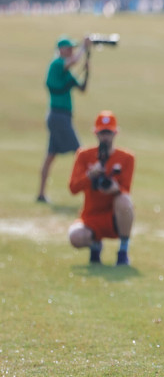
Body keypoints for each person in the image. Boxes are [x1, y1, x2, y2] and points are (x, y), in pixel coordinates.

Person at [68, 111, 135, 265]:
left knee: (124, 201)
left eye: (108, 133)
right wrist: (90, 175)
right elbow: (73, 188)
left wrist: (115, 189)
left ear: (115, 133)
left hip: (114, 216)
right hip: (90, 216)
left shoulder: (127, 158)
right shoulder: (84, 155)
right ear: (96, 133)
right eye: (102, 133)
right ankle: (95, 244)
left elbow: (126, 190)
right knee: (74, 237)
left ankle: (123, 250)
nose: (105, 137)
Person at [38, 36, 91, 202]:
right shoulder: (56, 64)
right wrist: (84, 47)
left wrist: (87, 70)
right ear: (60, 50)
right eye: (68, 49)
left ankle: (41, 194)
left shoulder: (66, 73)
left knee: (50, 156)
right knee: (81, 153)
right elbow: (73, 61)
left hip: (62, 117)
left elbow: (82, 88)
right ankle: (89, 193)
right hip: (58, 116)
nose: (71, 51)